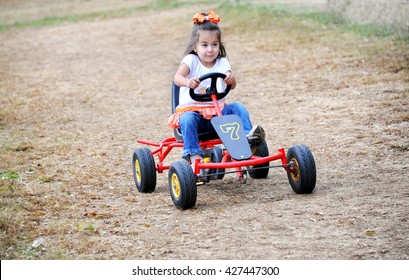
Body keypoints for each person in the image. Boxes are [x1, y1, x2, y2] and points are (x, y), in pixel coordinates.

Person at [168, 10, 264, 166]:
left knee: (237, 107)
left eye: (214, 45)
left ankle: (248, 138)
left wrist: (230, 79)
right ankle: (193, 153)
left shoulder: (222, 62)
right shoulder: (191, 61)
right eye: (204, 45)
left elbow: (231, 83)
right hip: (194, 115)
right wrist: (187, 82)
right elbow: (177, 78)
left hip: (217, 114)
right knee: (187, 118)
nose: (210, 50)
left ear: (219, 45)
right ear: (195, 46)